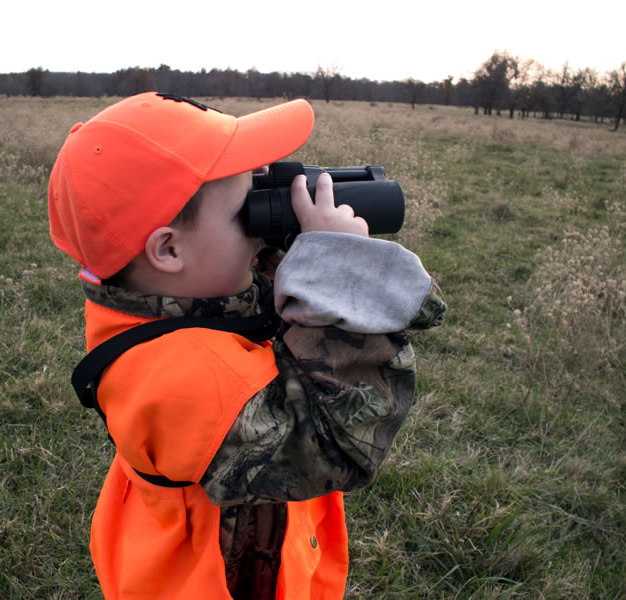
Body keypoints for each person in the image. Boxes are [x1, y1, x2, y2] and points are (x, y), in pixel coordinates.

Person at [48, 91, 445, 600]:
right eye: (246, 207)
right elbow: (342, 444)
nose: (261, 218)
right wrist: (338, 269)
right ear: (169, 248)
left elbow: (408, 309)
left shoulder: (174, 301)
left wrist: (301, 256)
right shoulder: (180, 378)